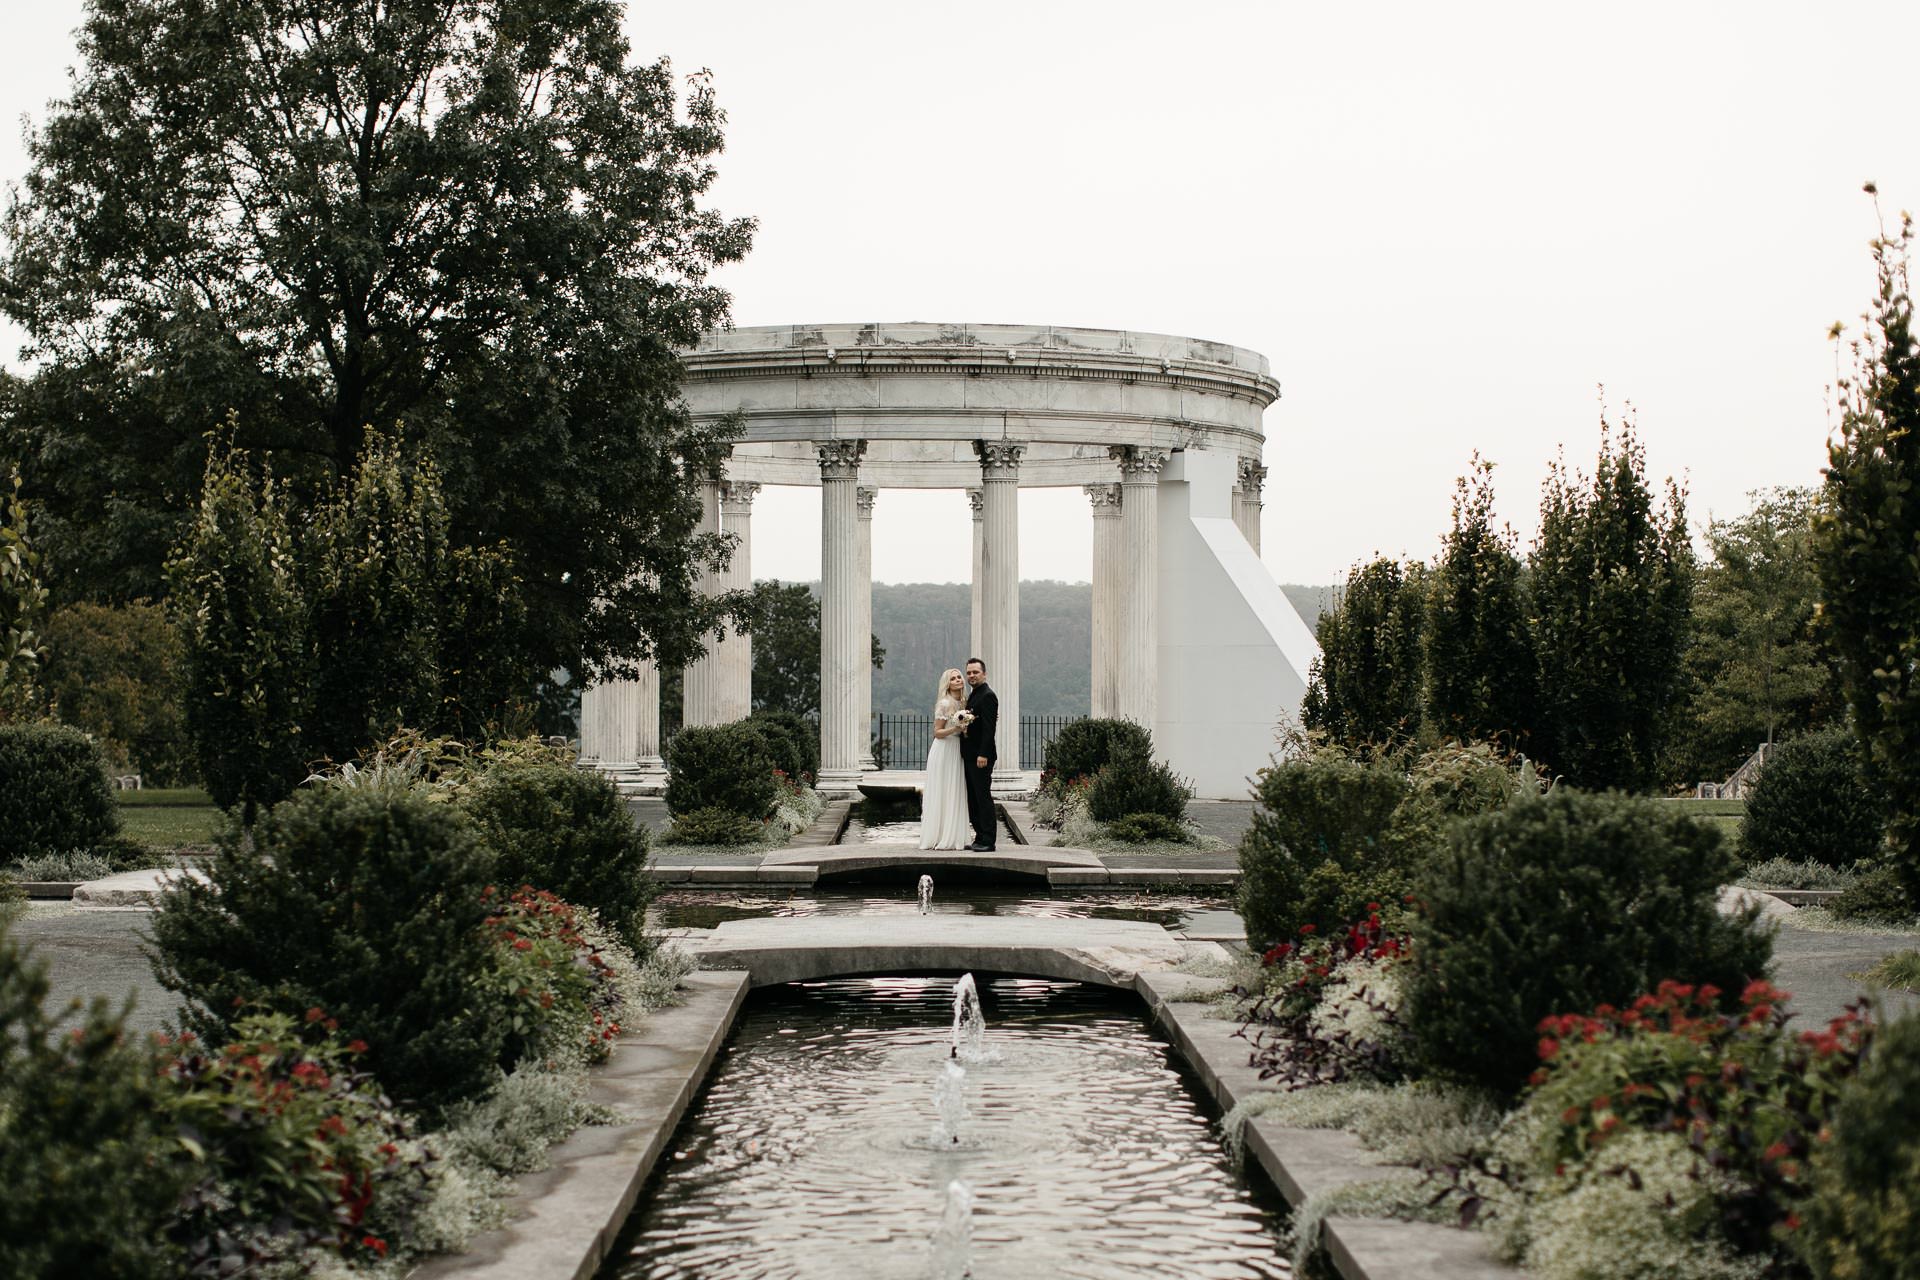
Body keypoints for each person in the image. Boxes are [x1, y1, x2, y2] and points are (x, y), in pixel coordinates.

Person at [918, 667, 973, 850]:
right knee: (942, 791)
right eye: (953, 678)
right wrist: (955, 728)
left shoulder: (965, 702)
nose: (958, 680)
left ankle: (955, 835)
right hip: (943, 750)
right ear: (947, 684)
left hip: (957, 751)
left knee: (955, 791)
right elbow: (937, 732)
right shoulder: (944, 703)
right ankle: (939, 836)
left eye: (959, 677)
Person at [961, 657, 999, 851]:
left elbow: (989, 729)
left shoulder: (988, 695)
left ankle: (988, 840)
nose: (971, 675)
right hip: (969, 755)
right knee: (973, 798)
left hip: (980, 757)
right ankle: (979, 837)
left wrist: (983, 754)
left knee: (982, 797)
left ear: (984, 674)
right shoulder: (974, 694)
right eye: (969, 672)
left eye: (975, 672)